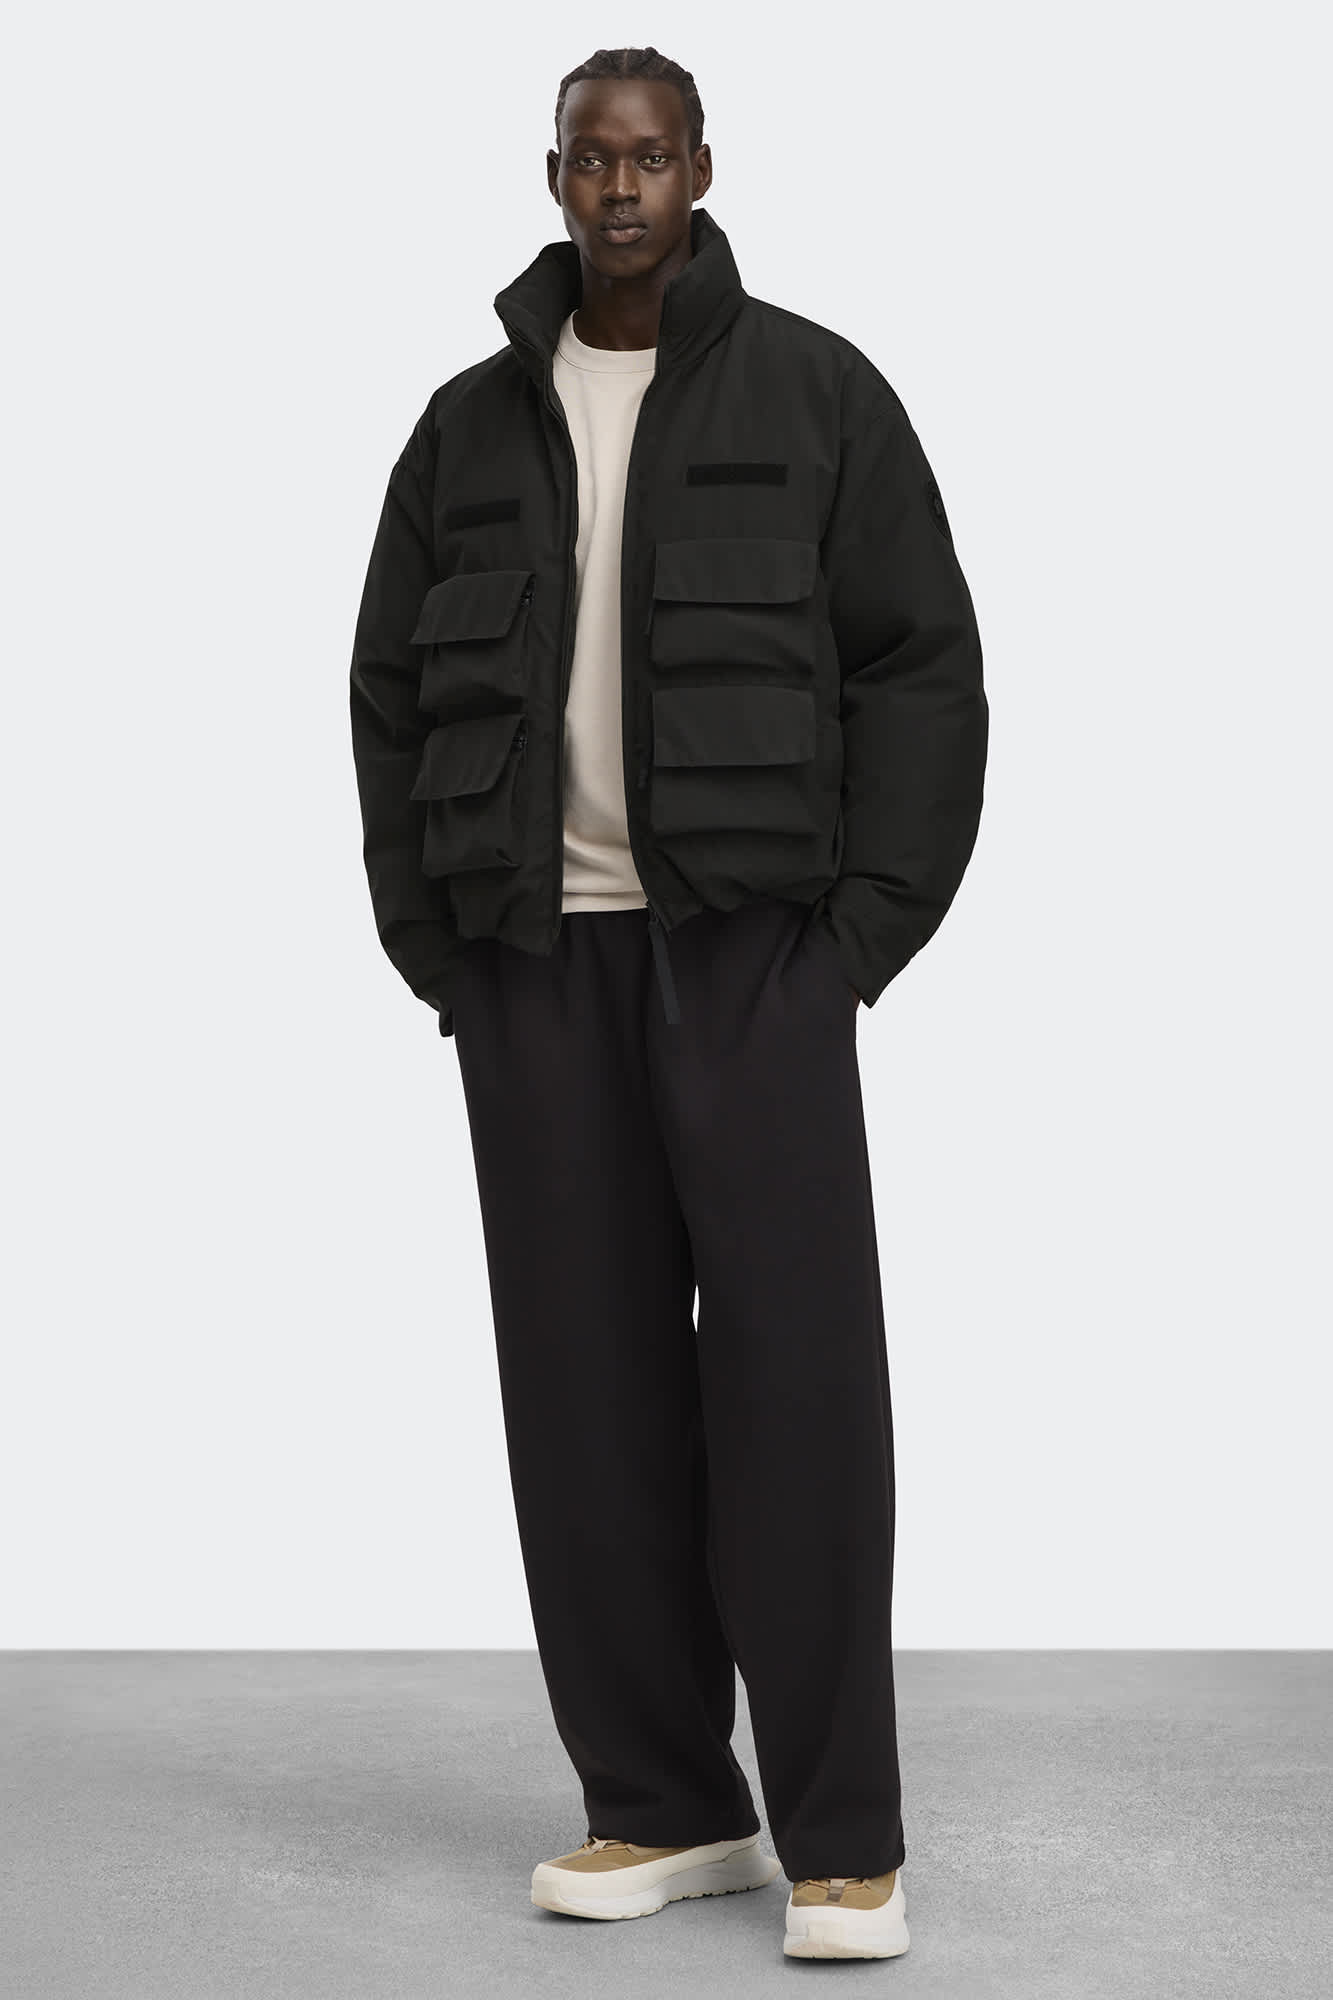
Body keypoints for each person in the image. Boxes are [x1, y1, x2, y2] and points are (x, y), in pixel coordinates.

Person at [348, 44, 988, 1965]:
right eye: (588, 157)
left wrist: (855, 942)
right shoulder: (468, 427)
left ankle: (844, 1838)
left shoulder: (816, 392)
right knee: (583, 1395)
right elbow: (385, 697)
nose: (617, 187)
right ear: (551, 176)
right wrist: (441, 951)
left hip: (752, 958)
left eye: (647, 156)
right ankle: (661, 1801)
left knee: (796, 1392)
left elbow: (921, 668)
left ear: (701, 169)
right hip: (536, 967)